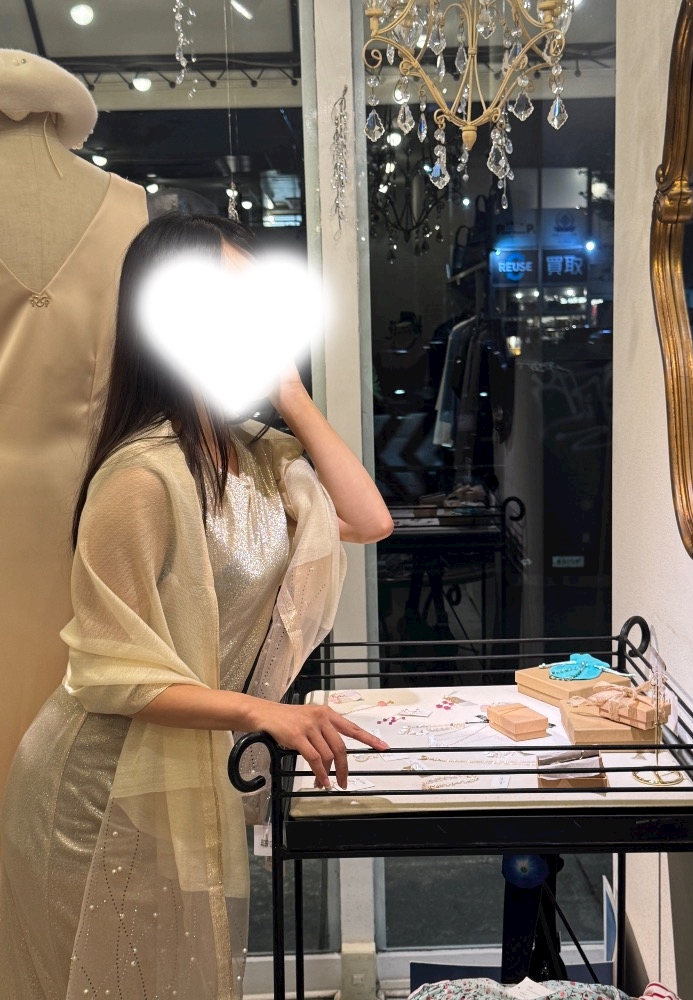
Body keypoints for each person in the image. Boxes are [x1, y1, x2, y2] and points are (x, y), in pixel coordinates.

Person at [0, 213, 392, 1000]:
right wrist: (260, 712)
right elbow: (108, 673)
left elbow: (368, 518)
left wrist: (291, 393)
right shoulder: (142, 476)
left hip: (177, 773)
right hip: (96, 791)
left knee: (180, 971)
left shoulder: (254, 454)